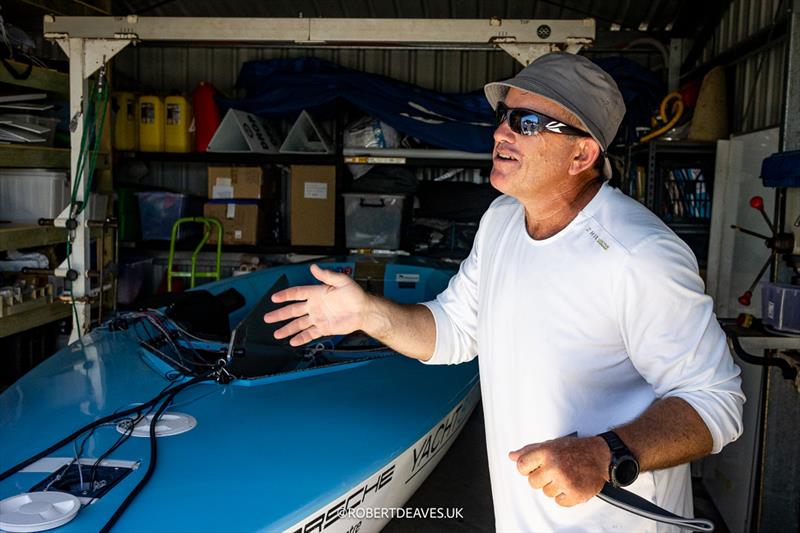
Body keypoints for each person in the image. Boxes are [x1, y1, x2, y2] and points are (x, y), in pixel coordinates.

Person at [264, 52, 745, 531]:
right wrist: (368, 313)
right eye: (503, 117)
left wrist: (606, 453)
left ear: (583, 154)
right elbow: (454, 330)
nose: (500, 133)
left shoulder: (639, 255)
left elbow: (714, 400)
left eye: (528, 122)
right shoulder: (501, 222)